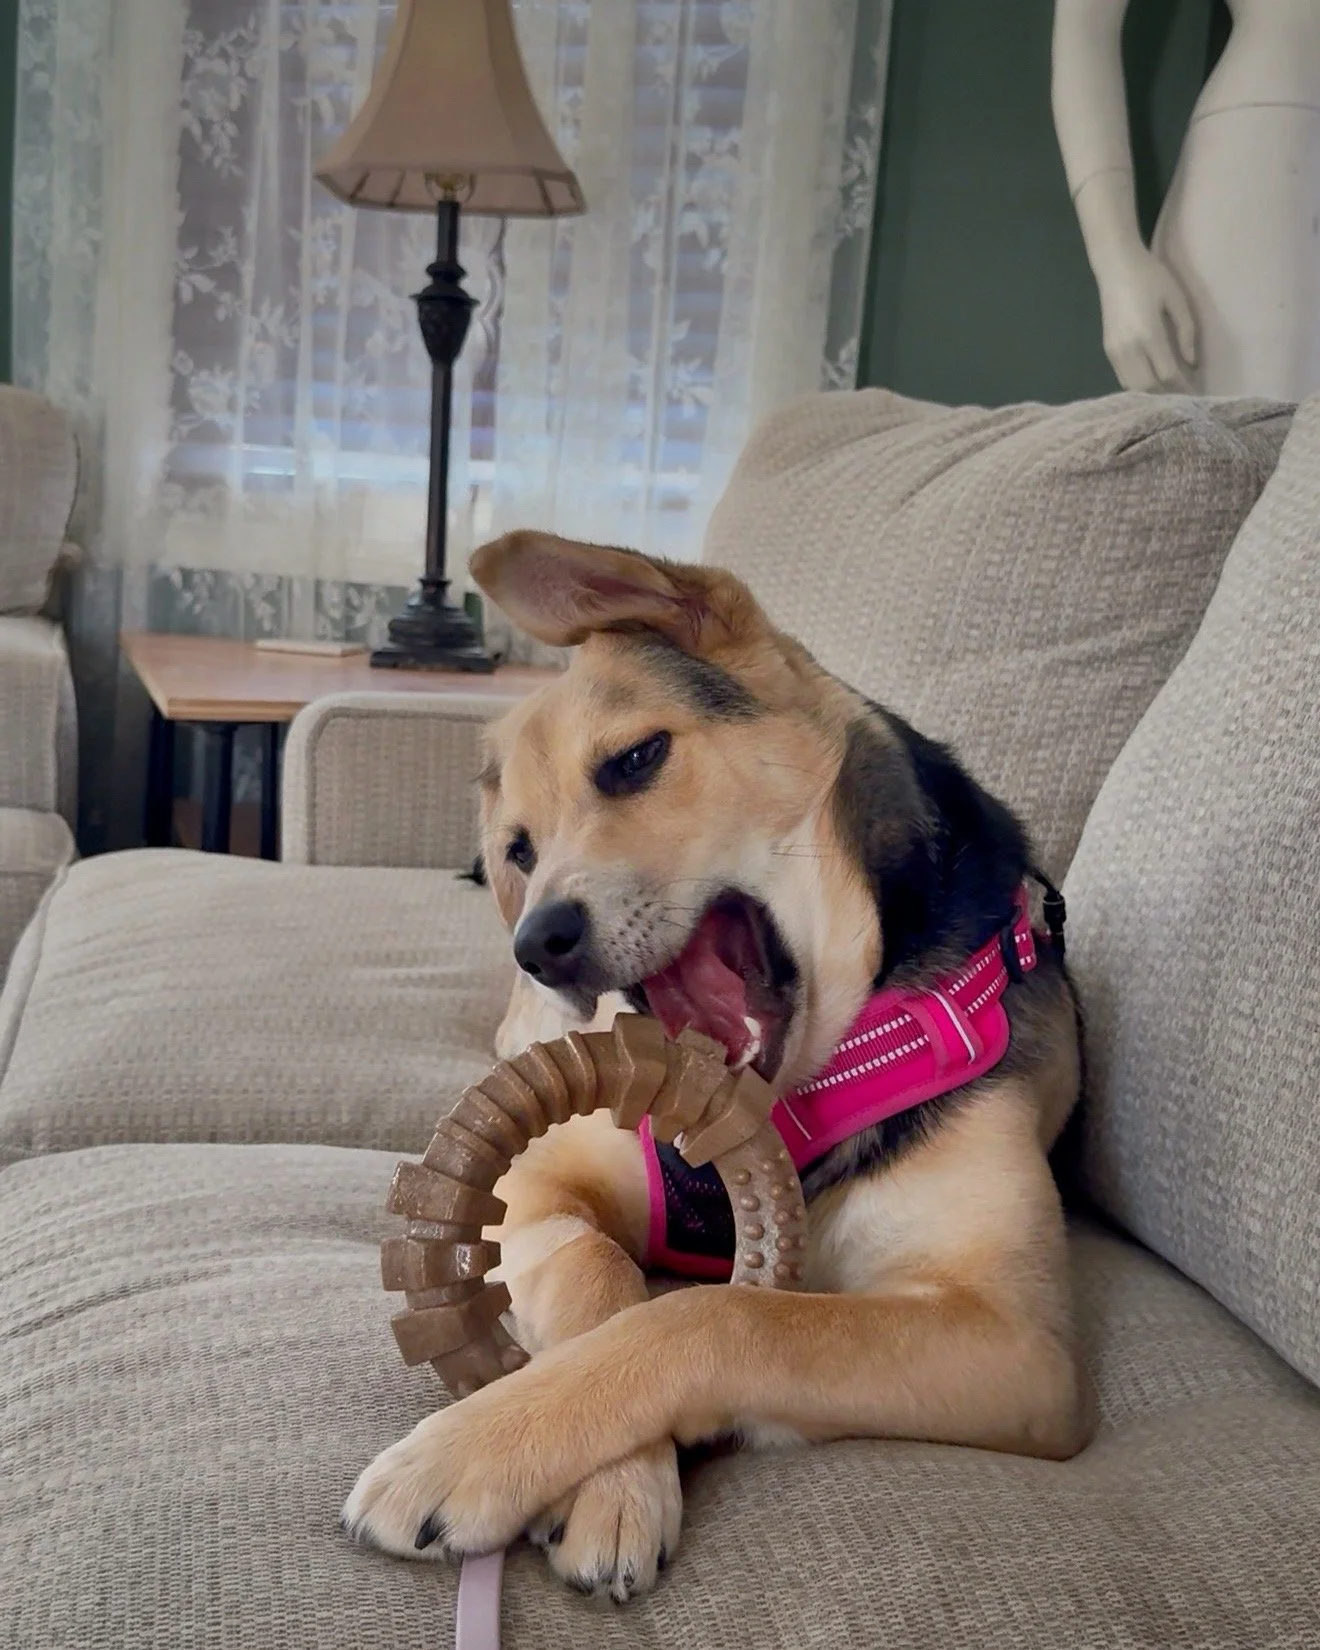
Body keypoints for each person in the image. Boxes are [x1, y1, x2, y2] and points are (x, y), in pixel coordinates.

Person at [1052, 0, 1320, 397]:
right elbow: (1085, 28)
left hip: (1276, 145)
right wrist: (1116, 261)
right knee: (1248, 443)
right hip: (1272, 164)